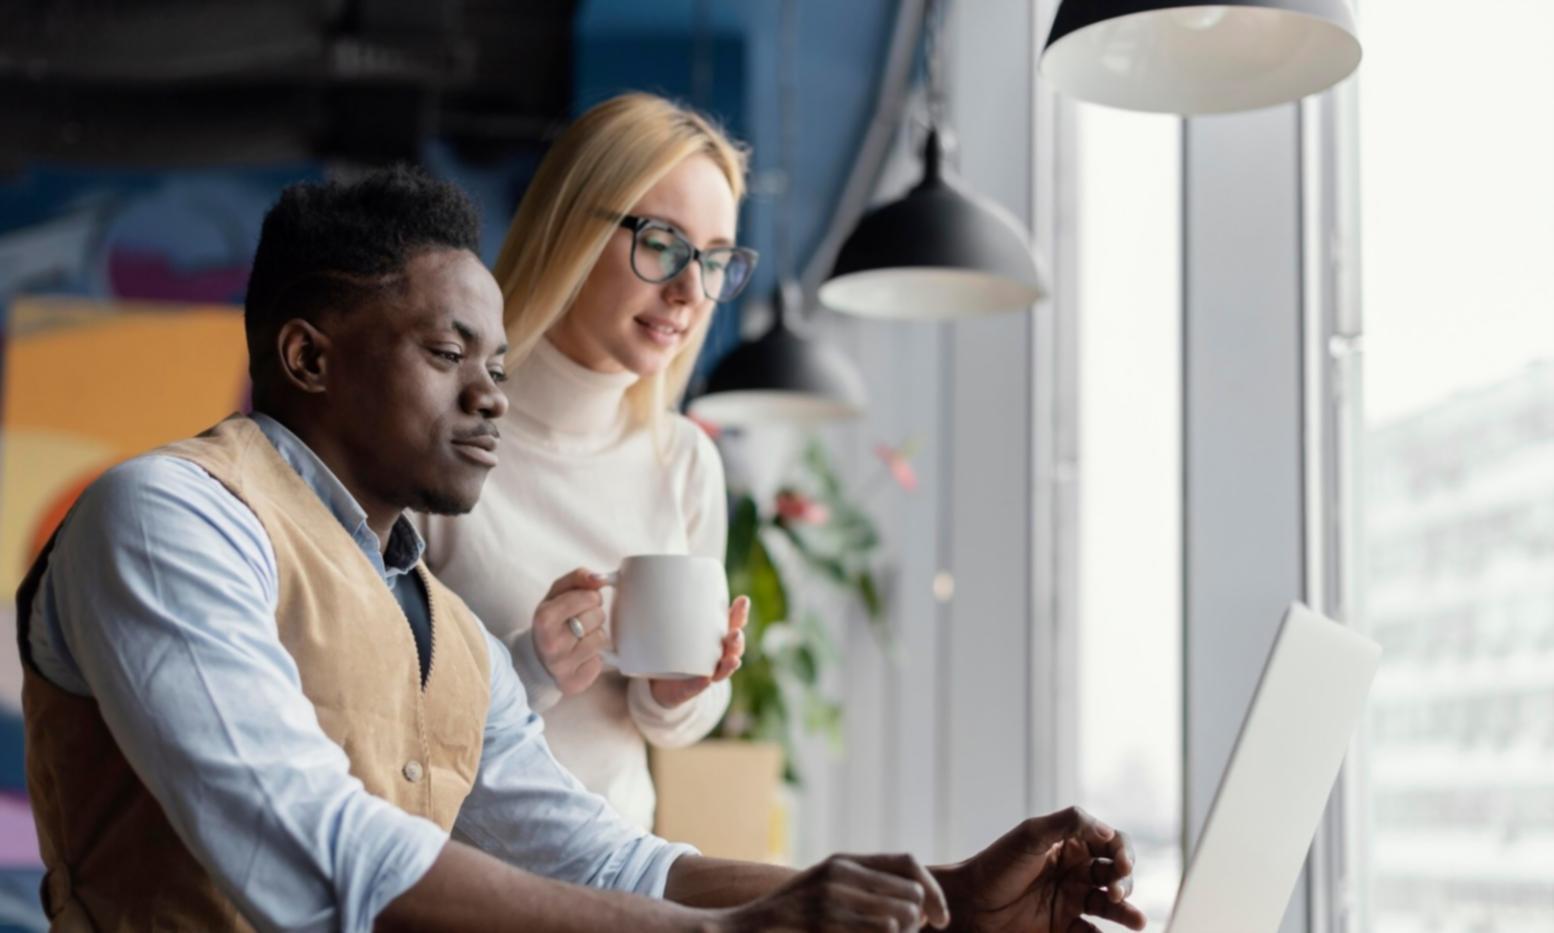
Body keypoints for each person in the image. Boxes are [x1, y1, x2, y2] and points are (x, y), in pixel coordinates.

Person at [17, 167, 1147, 932]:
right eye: (447, 351)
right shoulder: (170, 515)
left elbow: (607, 859)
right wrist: (738, 932)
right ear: (308, 357)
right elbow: (319, 848)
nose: (488, 396)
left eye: (500, 366)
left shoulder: (443, 629)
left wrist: (944, 902)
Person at [416, 92, 755, 831]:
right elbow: (369, 704)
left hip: (622, 884)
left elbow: (666, 723)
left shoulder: (685, 459)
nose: (690, 291)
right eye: (662, 243)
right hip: (462, 886)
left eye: (715, 261)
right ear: (571, 225)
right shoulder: (435, 435)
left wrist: (676, 691)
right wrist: (529, 670)